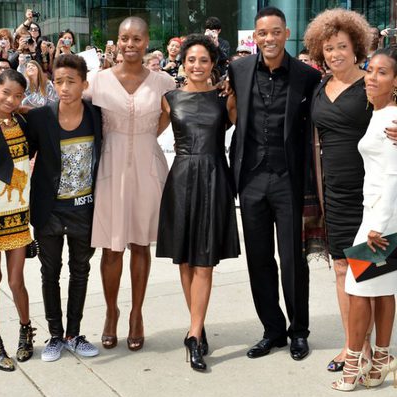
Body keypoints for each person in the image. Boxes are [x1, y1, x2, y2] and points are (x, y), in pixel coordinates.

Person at [228, 6, 321, 361]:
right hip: (250, 179)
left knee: (293, 259)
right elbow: (228, 111)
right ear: (255, 36)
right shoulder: (238, 70)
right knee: (259, 259)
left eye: (276, 32)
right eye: (262, 33)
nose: (269, 38)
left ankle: (299, 331)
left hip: (289, 180)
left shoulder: (307, 76)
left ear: (286, 33)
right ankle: (272, 330)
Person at [84, 17, 175, 351]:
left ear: (147, 40)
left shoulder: (164, 81)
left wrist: (146, 138)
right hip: (111, 167)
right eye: (125, 38)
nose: (131, 44)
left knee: (140, 244)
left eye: (137, 38)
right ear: (117, 41)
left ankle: (137, 313)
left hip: (148, 168)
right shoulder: (98, 81)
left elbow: (169, 116)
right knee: (111, 246)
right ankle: (111, 312)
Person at [156, 34, 240, 371]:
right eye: (191, 60)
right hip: (181, 180)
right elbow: (144, 134)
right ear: (182, 63)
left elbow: (246, 127)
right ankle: (198, 325)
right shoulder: (168, 99)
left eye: (204, 60)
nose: (197, 66)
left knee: (205, 262)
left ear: (213, 64)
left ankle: (193, 335)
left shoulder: (225, 98)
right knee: (186, 261)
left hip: (215, 177)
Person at [304, 8, 373, 372]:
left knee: (369, 270)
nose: (335, 54)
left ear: (357, 46)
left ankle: (370, 347)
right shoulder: (319, 88)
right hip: (333, 193)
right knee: (343, 268)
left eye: (342, 46)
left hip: (373, 193)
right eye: (328, 48)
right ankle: (351, 346)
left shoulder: (377, 83)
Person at [26, 54, 101, 362]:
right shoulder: (41, 117)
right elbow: (22, 153)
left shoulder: (96, 115)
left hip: (85, 209)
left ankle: (74, 332)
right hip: (50, 211)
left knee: (80, 271)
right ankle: (55, 335)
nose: (65, 87)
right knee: (50, 272)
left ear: (84, 83)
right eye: (58, 82)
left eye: (72, 81)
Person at [332, 47, 397, 391]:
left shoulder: (390, 120)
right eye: (370, 70)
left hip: (379, 216)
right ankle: (383, 359)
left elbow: (392, 175)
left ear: (396, 81)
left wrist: (379, 224)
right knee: (382, 290)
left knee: (357, 290)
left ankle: (355, 361)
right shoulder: (380, 112)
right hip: (381, 212)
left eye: (382, 72)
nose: (372, 77)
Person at [0, 70, 35, 371]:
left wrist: (21, 108)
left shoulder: (22, 121)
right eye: (6, 92)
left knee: (15, 280)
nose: (11, 100)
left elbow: (45, 114)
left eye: (18, 95)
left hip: (18, 215)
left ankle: (25, 330)